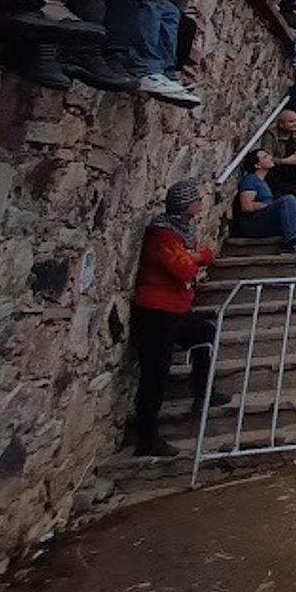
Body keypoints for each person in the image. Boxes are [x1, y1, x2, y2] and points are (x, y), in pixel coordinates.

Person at [128, 179, 230, 457]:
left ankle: (202, 394)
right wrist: (202, 256)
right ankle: (147, 438)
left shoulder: (181, 232)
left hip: (175, 307)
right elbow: (183, 269)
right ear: (186, 205)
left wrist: (193, 255)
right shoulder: (163, 234)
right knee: (155, 373)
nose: (199, 204)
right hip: (157, 310)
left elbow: (188, 261)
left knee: (203, 334)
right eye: (195, 200)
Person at [235, 146, 296, 253]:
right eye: (265, 157)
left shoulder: (266, 181)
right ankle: (292, 242)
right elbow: (246, 206)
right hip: (255, 222)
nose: (270, 158)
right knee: (288, 199)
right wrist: (270, 206)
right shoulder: (251, 179)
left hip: (270, 221)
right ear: (257, 165)